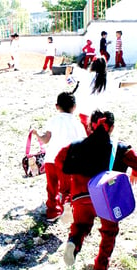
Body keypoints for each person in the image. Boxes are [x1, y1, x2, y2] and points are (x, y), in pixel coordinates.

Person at [55, 110, 137, 270]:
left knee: (80, 225)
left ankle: (74, 243)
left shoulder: (75, 146)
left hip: (81, 197)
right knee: (109, 232)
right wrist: (135, 173)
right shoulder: (119, 148)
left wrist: (68, 186)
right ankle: (100, 266)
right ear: (111, 128)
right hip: (107, 199)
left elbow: (59, 160)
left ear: (90, 126)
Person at [32, 90, 86, 222]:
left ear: (57, 106)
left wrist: (37, 134)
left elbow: (45, 139)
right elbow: (83, 143)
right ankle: (67, 207)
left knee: (52, 187)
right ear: (74, 107)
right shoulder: (78, 124)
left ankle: (52, 212)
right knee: (66, 188)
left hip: (50, 160)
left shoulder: (53, 120)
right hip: (67, 162)